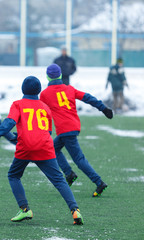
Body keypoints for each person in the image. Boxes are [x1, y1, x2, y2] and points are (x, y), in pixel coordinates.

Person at [0, 76, 84, 225]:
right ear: (39, 90)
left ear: (22, 89)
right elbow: (47, 132)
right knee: (59, 180)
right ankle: (75, 211)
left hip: (26, 148)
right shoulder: (45, 107)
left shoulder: (18, 104)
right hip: (45, 148)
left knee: (13, 175)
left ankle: (25, 209)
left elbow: (8, 124)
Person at [40, 64, 113, 197]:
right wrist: (103, 108)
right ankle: (69, 174)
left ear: (47, 77)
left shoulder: (45, 94)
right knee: (54, 149)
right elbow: (88, 97)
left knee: (79, 159)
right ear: (61, 75)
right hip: (72, 127)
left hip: (64, 130)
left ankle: (98, 182)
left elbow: (40, 112)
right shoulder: (69, 89)